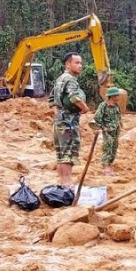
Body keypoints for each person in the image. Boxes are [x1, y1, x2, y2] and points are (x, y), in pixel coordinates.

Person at [51, 52, 89, 186]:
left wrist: (58, 115)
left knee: (61, 155)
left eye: (81, 63)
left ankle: (62, 184)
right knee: (68, 155)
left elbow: (52, 101)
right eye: (77, 63)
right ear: (68, 64)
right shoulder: (70, 80)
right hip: (68, 123)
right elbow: (74, 97)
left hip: (59, 121)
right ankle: (67, 184)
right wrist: (85, 108)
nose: (80, 66)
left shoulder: (60, 79)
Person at [93, 87, 123, 176]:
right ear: (112, 96)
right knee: (107, 148)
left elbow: (118, 116)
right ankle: (106, 167)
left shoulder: (116, 106)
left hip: (116, 130)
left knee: (114, 148)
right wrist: (102, 127)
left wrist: (120, 124)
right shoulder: (103, 105)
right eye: (117, 95)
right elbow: (97, 118)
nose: (119, 97)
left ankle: (110, 166)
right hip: (108, 131)